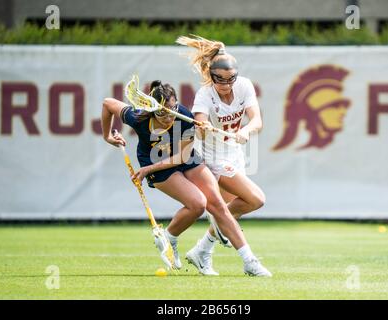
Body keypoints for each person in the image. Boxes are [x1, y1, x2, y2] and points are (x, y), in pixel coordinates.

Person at [101, 80, 271, 276]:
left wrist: (148, 169)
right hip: (156, 163)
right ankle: (171, 238)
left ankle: (249, 261)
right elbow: (108, 103)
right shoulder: (138, 116)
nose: (168, 117)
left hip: (182, 157)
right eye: (162, 113)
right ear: (152, 110)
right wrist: (108, 137)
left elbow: (181, 157)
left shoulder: (184, 117)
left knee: (217, 204)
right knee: (198, 204)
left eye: (172, 109)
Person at [176, 35, 267, 272]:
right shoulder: (205, 95)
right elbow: (200, 128)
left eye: (230, 80)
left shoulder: (245, 86)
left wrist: (246, 131)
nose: (226, 86)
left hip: (235, 153)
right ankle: (248, 263)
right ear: (211, 76)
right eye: (220, 80)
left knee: (226, 213)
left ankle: (202, 252)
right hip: (213, 159)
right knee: (255, 199)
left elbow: (256, 120)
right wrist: (202, 128)